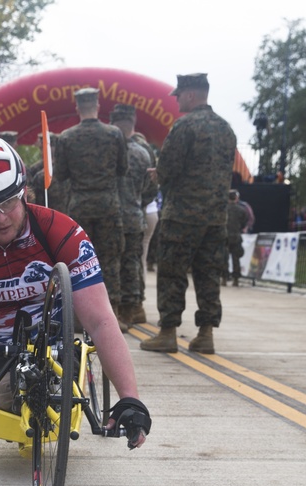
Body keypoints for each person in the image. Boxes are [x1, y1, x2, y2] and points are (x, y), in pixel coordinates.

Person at [0, 137, 150, 449]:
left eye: (9, 203)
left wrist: (130, 399)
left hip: (56, 349)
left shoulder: (63, 232)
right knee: (9, 395)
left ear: (24, 190)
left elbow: (100, 322)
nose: (1, 218)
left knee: (55, 394)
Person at [140, 73, 236, 354]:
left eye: (179, 95)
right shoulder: (227, 129)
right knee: (208, 275)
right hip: (216, 217)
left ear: (191, 95)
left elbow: (168, 169)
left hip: (182, 215)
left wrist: (157, 175)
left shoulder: (184, 126)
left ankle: (168, 332)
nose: (177, 99)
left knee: (172, 274)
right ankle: (205, 335)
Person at [53, 87, 129, 330]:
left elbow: (61, 174)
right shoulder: (114, 134)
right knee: (111, 260)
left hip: (80, 206)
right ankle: (113, 312)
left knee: (79, 261)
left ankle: (77, 317)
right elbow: (122, 169)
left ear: (77, 107)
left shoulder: (66, 137)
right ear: (98, 105)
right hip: (109, 205)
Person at [109, 102, 152, 324]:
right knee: (133, 264)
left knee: (112, 264)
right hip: (135, 216)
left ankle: (117, 312)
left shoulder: (107, 151)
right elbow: (151, 190)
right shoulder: (144, 154)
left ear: (113, 123)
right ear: (133, 123)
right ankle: (134, 308)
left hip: (112, 217)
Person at [224, 190, 248, 286]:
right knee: (236, 258)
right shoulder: (242, 210)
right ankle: (236, 279)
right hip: (236, 236)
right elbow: (244, 223)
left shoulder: (224, 209)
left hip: (225, 236)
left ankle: (224, 278)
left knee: (224, 258)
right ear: (236, 198)